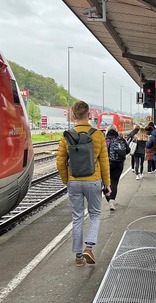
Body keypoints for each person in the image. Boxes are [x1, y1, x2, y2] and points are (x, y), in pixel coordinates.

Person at [56, 101, 111, 267]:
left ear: (73, 116)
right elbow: (104, 161)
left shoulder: (67, 135)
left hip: (74, 181)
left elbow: (60, 162)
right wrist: (107, 183)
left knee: (77, 217)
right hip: (93, 181)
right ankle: (89, 247)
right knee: (94, 214)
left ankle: (79, 256)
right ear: (88, 114)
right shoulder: (98, 135)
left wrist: (67, 180)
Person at [105, 124, 130, 210]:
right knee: (114, 182)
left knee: (105, 182)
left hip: (107, 163)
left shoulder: (105, 140)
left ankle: (109, 200)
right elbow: (128, 150)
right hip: (119, 164)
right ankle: (112, 201)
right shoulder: (121, 139)